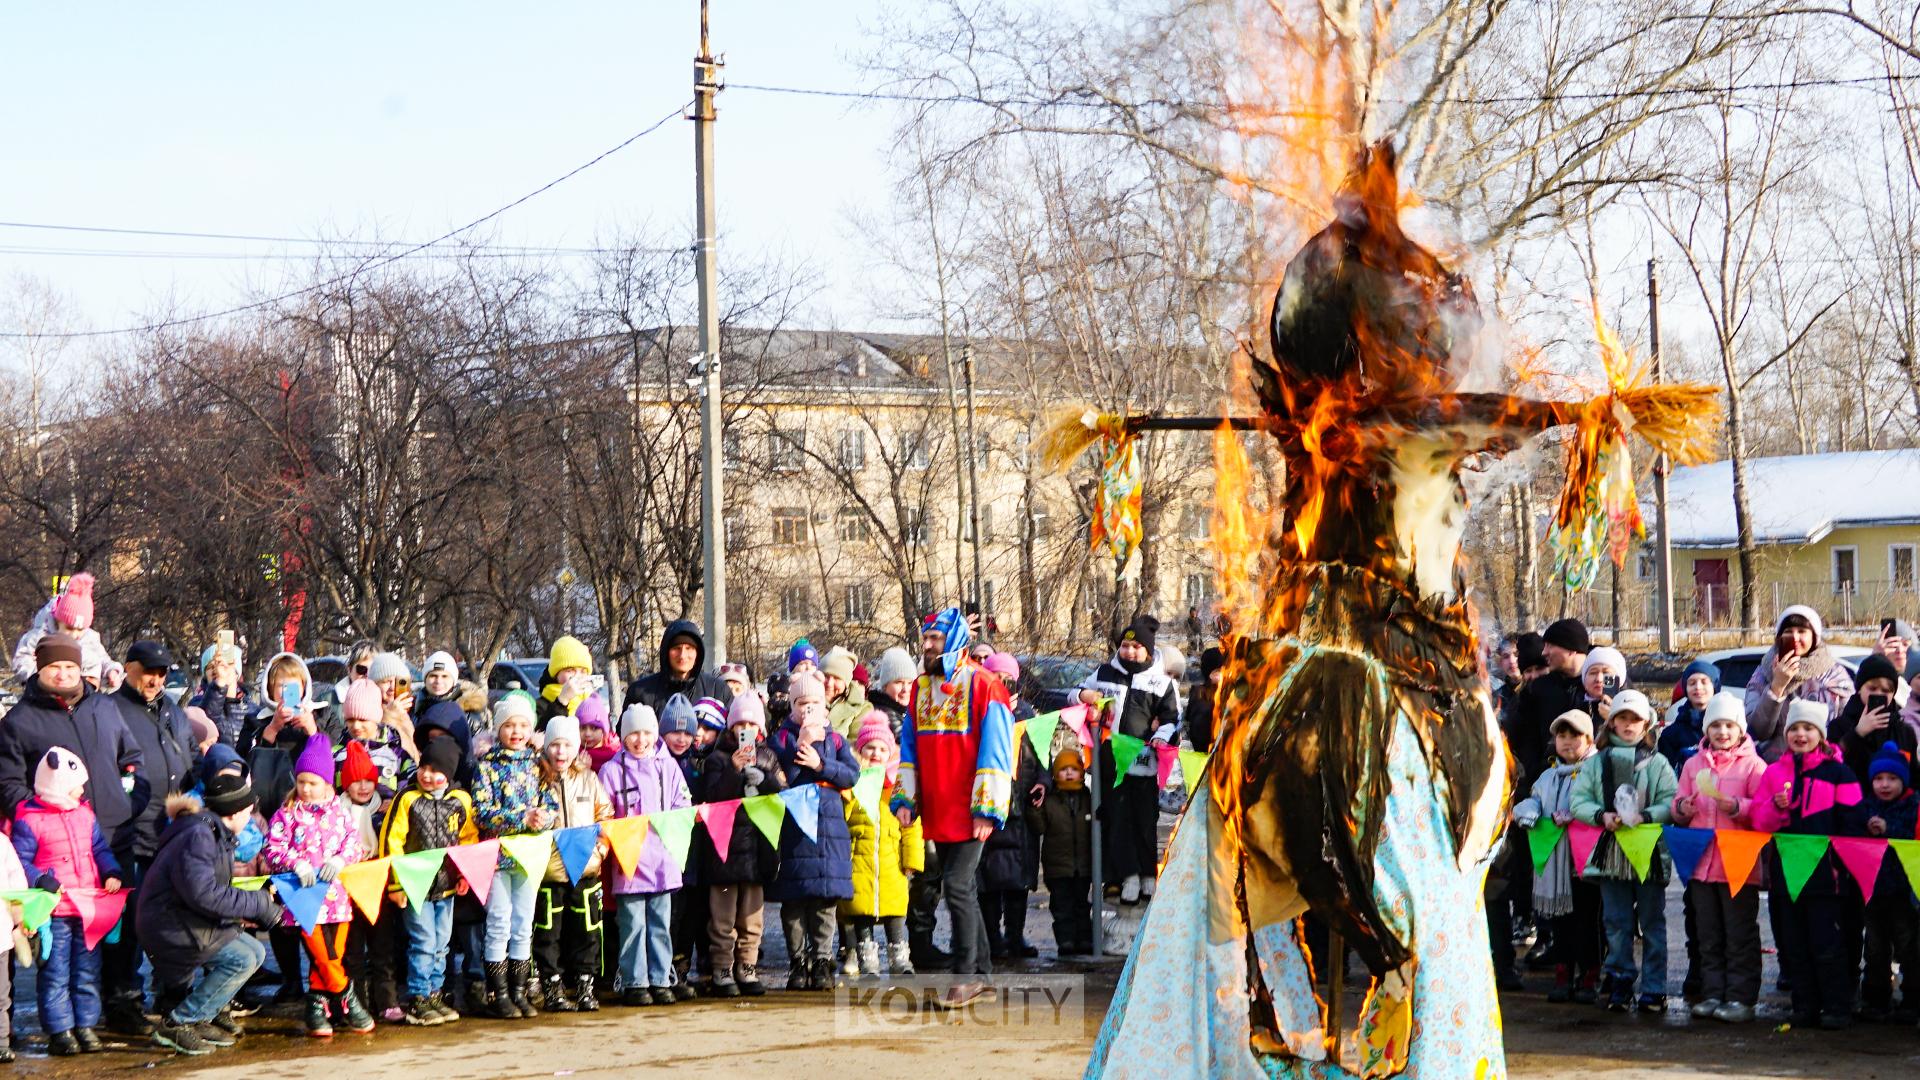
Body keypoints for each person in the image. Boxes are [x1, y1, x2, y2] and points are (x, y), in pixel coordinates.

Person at [896, 606, 1015, 1008]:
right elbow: (909, 747)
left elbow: (997, 751)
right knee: (964, 889)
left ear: (954, 642)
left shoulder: (985, 686)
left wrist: (987, 808)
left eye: (934, 639)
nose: (927, 646)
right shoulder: (919, 688)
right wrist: (905, 797)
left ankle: (965, 975)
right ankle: (981, 971)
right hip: (938, 808)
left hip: (970, 808)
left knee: (957, 886)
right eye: (925, 639)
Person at [140, 770, 282, 1056]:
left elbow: (209, 892)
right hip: (171, 925)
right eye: (249, 811)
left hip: (188, 919)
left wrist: (257, 905)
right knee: (241, 959)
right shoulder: (199, 836)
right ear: (236, 812)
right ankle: (179, 1022)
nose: (251, 817)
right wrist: (258, 904)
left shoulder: (214, 832)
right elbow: (204, 894)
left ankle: (203, 1015)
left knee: (255, 952)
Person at [97, 640, 199, 1035]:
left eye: (162, 673)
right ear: (128, 668)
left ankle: (173, 994)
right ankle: (123, 1001)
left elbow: (190, 755)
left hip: (173, 837)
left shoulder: (173, 709)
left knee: (172, 923)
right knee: (131, 925)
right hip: (132, 836)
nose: (156, 679)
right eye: (148, 671)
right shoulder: (110, 710)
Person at [1750, 699, 1863, 1029]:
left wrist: (1840, 863)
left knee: (1826, 943)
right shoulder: (1773, 773)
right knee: (1793, 943)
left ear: (1821, 735)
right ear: (1786, 735)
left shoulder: (1839, 774)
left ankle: (1837, 1006)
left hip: (1827, 877)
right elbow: (1760, 821)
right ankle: (1804, 1005)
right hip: (1785, 876)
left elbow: (1852, 822)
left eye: (1808, 728)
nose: (1801, 734)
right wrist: (1776, 806)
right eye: (1795, 728)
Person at [1569, 688, 1676, 1014]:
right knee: (1616, 922)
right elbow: (1578, 800)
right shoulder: (1595, 763)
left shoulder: (1657, 764)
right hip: (1610, 854)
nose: (1629, 725)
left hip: (1648, 854)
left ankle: (1654, 987)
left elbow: (1670, 801)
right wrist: (1601, 816)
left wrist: (1644, 816)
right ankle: (1619, 981)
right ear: (1612, 722)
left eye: (1635, 720)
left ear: (1647, 725)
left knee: (1652, 923)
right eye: (1622, 719)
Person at [12, 748, 123, 1055]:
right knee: (55, 971)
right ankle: (60, 1030)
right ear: (58, 786)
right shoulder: (30, 820)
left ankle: (85, 1024)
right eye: (77, 784)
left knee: (87, 969)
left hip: (87, 908)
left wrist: (111, 870)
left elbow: (99, 848)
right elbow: (19, 861)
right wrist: (40, 879)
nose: (82, 790)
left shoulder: (84, 814)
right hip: (55, 910)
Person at [261, 732, 372, 1037]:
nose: (306, 789)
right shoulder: (286, 813)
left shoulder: (339, 812)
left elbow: (354, 844)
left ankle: (316, 1008)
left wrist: (340, 860)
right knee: (321, 955)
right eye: (301, 782)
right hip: (303, 901)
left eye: (313, 783)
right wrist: (294, 863)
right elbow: (272, 848)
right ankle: (348, 996)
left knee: (332, 955)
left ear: (326, 783)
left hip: (337, 900)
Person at [1668, 692, 1767, 1023]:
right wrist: (1682, 809)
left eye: (1729, 725)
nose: (1722, 732)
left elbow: (1764, 811)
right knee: (1707, 933)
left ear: (1740, 729)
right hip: (1701, 864)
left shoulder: (1754, 765)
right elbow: (1678, 803)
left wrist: (1738, 807)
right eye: (1716, 725)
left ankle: (1741, 998)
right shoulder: (1694, 763)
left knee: (1739, 934)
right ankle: (1713, 993)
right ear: (1706, 730)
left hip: (1738, 866)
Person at [1077, 615, 1179, 904]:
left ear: (1148, 649)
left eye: (1136, 646)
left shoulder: (1161, 681)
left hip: (1145, 761)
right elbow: (1074, 693)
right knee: (1118, 818)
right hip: (1111, 761)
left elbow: (1173, 718)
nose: (1130, 651)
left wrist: (1163, 735)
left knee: (1145, 819)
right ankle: (1129, 876)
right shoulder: (1104, 673)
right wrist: (1085, 695)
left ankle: (1149, 874)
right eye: (1125, 645)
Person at [768, 673, 860, 990]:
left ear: (825, 706)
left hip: (829, 830)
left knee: (824, 903)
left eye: (815, 703)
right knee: (794, 903)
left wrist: (822, 765)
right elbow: (781, 778)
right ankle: (797, 962)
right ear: (792, 707)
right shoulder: (781, 738)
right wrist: (802, 744)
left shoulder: (835, 740)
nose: (808, 709)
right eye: (802, 703)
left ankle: (822, 960)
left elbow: (851, 775)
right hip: (794, 828)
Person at [379, 736, 477, 1026]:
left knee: (442, 943)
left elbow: (468, 840)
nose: (428, 775)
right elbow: (391, 842)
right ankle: (419, 996)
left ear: (448, 775)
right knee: (423, 941)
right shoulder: (407, 799)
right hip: (415, 886)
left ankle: (435, 993)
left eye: (437, 770)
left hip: (445, 886)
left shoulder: (460, 802)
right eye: (424, 767)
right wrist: (396, 885)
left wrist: (464, 875)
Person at [599, 703, 692, 1006]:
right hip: (629, 863)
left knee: (660, 925)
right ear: (623, 737)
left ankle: (661, 977)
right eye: (633, 734)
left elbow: (682, 804)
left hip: (663, 861)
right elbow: (604, 812)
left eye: (646, 733)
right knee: (632, 926)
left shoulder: (668, 767)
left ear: (655, 734)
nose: (640, 740)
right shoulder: (612, 771)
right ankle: (635, 980)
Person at [1510, 710, 1600, 1004]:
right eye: (1562, 736)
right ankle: (1563, 971)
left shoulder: (1596, 770)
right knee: (1561, 922)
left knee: (1587, 921)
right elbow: (1534, 801)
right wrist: (1528, 812)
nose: (1568, 742)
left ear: (1588, 739)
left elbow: (1600, 804)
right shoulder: (1547, 776)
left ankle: (1589, 974)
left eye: (1575, 735)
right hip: (1555, 863)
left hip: (1584, 863)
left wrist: (1575, 814)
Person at [702, 692, 785, 997]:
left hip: (757, 850)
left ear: (760, 727)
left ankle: (747, 966)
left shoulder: (769, 756)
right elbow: (712, 798)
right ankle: (722, 968)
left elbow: (781, 792)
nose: (745, 728)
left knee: (752, 917)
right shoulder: (716, 758)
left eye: (751, 722)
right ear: (730, 727)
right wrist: (733, 771)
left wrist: (763, 778)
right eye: (740, 723)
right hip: (724, 850)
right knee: (722, 918)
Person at [471, 692, 546, 1020]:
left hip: (529, 857)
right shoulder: (487, 766)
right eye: (509, 725)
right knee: (499, 921)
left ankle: (518, 990)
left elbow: (550, 802)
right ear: (499, 728)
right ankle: (498, 992)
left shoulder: (537, 765)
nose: (516, 731)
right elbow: (482, 811)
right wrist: (521, 818)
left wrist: (547, 817)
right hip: (498, 858)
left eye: (523, 725)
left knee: (523, 924)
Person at [532, 715, 612, 1012]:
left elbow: (606, 816)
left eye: (567, 745)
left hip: (586, 870)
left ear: (576, 747)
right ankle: (552, 987)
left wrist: (600, 850)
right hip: (549, 872)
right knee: (548, 933)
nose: (560, 752)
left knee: (587, 931)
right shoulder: (536, 778)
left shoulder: (589, 779)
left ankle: (585, 985)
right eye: (554, 745)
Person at [840, 712, 922, 980]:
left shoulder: (898, 788)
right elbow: (841, 818)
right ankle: (867, 960)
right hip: (858, 863)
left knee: (896, 913)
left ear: (891, 752)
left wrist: (911, 861)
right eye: (869, 748)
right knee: (861, 913)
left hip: (892, 864)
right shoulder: (851, 784)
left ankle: (900, 958)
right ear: (859, 750)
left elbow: (911, 827)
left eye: (882, 748)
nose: (875, 753)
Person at [1850, 741, 1919, 1023]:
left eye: (1892, 778)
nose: (1885, 785)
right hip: (1873, 890)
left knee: (1909, 948)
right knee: (1875, 949)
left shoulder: (1913, 805)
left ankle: (1913, 1000)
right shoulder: (1866, 806)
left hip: (1904, 891)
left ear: (1903, 780)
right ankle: (1875, 999)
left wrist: (1890, 830)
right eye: (1879, 778)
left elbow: (1912, 836)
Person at [1745, 606, 1855, 761]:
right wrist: (1777, 687)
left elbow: (1847, 726)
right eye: (1788, 632)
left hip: (1822, 767)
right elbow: (1756, 731)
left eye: (1802, 631)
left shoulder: (1835, 675)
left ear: (1814, 637)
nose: (1795, 637)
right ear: (1779, 637)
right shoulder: (1763, 673)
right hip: (1776, 769)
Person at [1509, 621, 1589, 794]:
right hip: (1549, 786)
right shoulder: (1538, 690)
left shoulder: (1607, 680)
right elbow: (1523, 739)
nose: (1544, 652)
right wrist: (1537, 776)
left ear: (1571, 649)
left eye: (1550, 646)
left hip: (1593, 785)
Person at [1028, 748, 1094, 956]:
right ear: (1056, 773)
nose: (1068, 773)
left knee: (1082, 906)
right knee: (1062, 907)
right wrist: (1034, 807)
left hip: (1083, 866)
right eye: (1063, 769)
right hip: (1057, 867)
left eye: (1073, 769)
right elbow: (1039, 827)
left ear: (1081, 773)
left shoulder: (1088, 798)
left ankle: (1084, 939)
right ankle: (1065, 940)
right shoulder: (1051, 800)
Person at [10, 573, 109, 684]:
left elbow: (103, 659)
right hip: (44, 693)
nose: (75, 634)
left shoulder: (90, 638)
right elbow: (21, 661)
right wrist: (40, 676)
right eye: (69, 628)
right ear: (58, 621)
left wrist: (111, 671)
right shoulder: (38, 638)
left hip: (82, 693)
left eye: (80, 629)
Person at [1837, 652, 1911, 782]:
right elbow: (1831, 762)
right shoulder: (1839, 725)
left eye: (1886, 690)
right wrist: (1857, 733)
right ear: (1860, 688)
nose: (1878, 694)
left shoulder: (1903, 730)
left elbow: (1913, 775)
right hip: (1852, 797)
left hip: (1893, 800)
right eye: (1872, 688)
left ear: (1893, 694)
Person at [629, 620, 732, 714]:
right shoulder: (640, 692)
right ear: (666, 652)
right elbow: (625, 732)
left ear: (698, 653)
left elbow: (739, 729)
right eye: (676, 648)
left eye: (689, 648)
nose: (682, 655)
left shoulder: (718, 691)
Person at [1659, 659, 1721, 772]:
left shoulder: (1729, 726)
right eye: (1692, 683)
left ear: (1714, 686)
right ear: (1686, 689)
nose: (1698, 687)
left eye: (1704, 682)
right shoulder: (1671, 734)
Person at [190, 638, 252, 748]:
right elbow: (206, 725)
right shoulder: (196, 704)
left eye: (224, 665)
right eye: (210, 666)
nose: (217, 670)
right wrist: (220, 684)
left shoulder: (251, 709)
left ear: (237, 672)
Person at [0, 808, 27, 1062]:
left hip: (1, 936)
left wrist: (21, 919)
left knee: (1, 993)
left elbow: (17, 884)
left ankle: (1, 1042)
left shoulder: (3, 844)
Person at [535, 636, 594, 732]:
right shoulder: (541, 705)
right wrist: (562, 701)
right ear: (556, 674)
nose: (577, 676)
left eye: (583, 671)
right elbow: (543, 734)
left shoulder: (590, 702)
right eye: (570, 670)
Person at [868, 647, 916, 740]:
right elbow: (908, 743)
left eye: (910, 683)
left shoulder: (903, 711)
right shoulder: (884, 715)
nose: (905, 689)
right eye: (898, 682)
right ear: (885, 686)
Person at [823, 647, 870, 739]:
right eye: (826, 676)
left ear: (846, 682)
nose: (829, 683)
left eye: (837, 678)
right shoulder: (804, 701)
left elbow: (859, 746)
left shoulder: (862, 709)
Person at [1185, 647, 1225, 753]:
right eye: (1219, 671)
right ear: (1210, 674)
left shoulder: (1226, 690)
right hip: (1207, 750)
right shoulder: (1200, 694)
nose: (1224, 674)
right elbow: (1198, 726)